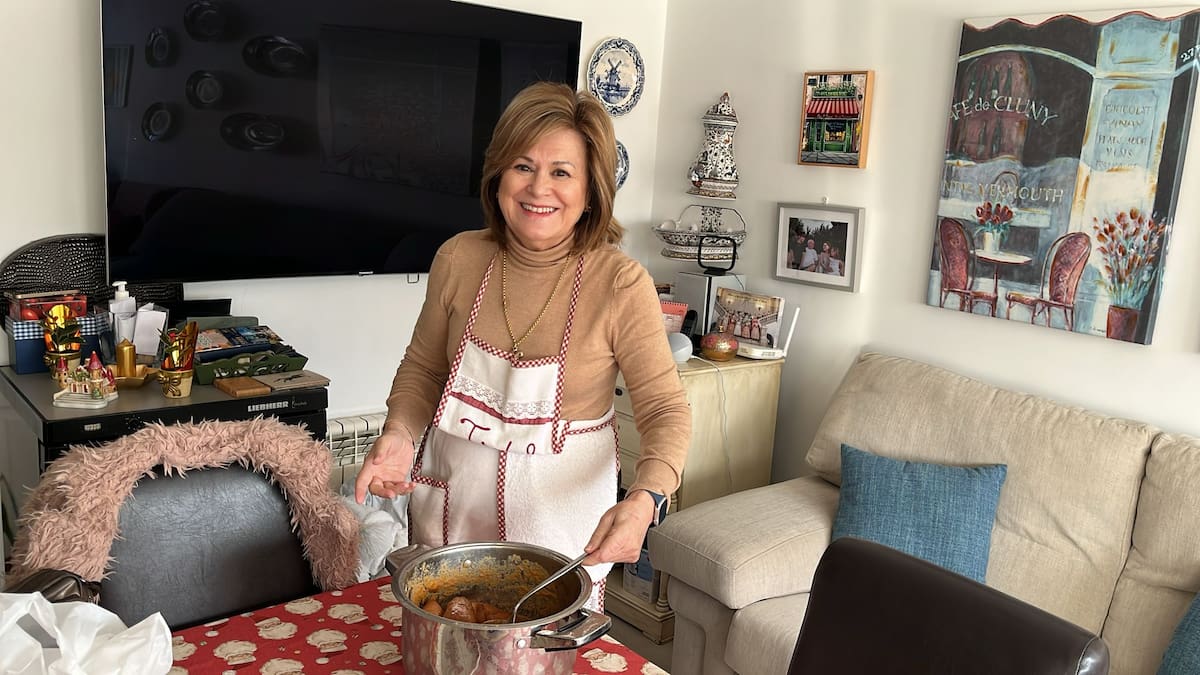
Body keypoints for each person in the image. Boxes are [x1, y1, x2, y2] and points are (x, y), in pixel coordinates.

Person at [354, 82, 691, 609]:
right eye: (523, 166)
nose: (539, 189)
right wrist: (399, 434)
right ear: (498, 176)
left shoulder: (621, 284)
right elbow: (422, 369)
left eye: (561, 172)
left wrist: (645, 500)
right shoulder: (459, 258)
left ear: (591, 190)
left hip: (558, 537)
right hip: (451, 516)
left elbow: (666, 412)